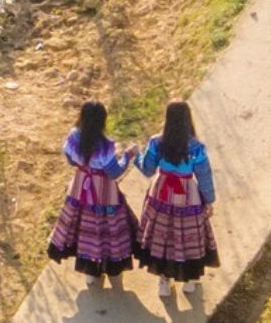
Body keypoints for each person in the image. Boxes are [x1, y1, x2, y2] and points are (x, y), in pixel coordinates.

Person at [133, 100, 219, 294]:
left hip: (161, 192)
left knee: (162, 235)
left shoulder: (156, 142)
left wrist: (136, 156)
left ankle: (164, 281)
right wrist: (209, 200)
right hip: (187, 194)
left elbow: (147, 169)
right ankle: (189, 280)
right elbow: (204, 175)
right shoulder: (196, 147)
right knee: (187, 235)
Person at [46, 100, 136, 287]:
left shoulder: (73, 138)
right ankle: (112, 267)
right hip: (104, 191)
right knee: (108, 227)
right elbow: (114, 172)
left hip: (81, 187)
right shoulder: (106, 147)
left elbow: (71, 161)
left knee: (83, 226)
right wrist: (127, 156)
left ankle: (90, 271)